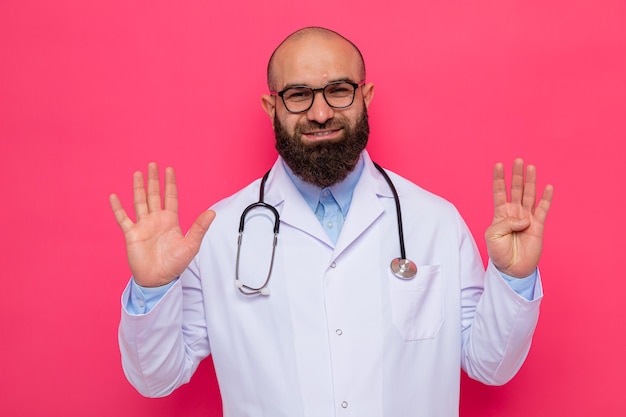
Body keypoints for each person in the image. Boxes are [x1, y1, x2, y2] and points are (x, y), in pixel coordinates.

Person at [110, 26, 554, 417]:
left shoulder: (434, 221)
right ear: (271, 107)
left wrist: (514, 278)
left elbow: (490, 364)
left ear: (366, 95)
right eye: (299, 94)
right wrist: (152, 290)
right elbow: (156, 379)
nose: (320, 113)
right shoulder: (221, 232)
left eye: (338, 90)